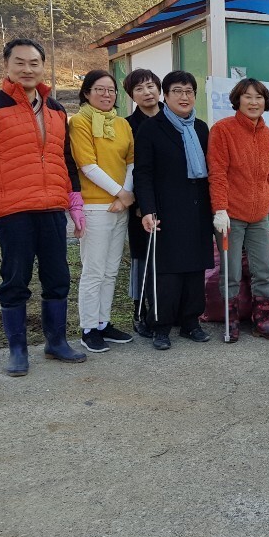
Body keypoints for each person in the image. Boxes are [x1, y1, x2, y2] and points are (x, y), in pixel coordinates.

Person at [0, 38, 86, 377]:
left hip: (52, 207)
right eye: (20, 62)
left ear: (43, 67)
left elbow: (66, 160)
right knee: (15, 279)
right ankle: (17, 349)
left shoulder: (57, 110)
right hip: (12, 207)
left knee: (58, 277)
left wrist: (75, 202)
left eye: (34, 63)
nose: (27, 69)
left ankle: (55, 341)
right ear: (7, 65)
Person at [132, 71, 213, 350]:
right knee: (165, 272)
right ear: (166, 96)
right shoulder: (152, 128)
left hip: (198, 208)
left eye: (189, 91)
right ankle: (161, 327)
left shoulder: (201, 128)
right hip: (165, 210)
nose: (184, 96)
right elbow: (143, 174)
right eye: (177, 91)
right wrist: (148, 210)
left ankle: (191, 323)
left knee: (195, 269)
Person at [208, 77, 269, 343]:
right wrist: (219, 209)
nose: (253, 102)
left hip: (259, 216)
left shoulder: (268, 136)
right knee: (230, 272)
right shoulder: (223, 130)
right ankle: (231, 324)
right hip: (230, 216)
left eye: (259, 97)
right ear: (237, 100)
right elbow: (217, 174)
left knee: (263, 270)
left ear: (266, 102)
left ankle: (262, 323)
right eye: (248, 97)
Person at [68, 70, 135, 353]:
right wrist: (120, 193)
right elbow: (87, 165)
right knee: (94, 270)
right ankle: (88, 328)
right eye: (100, 89)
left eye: (111, 90)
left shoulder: (122, 124)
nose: (106, 95)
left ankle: (103, 323)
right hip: (95, 205)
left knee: (110, 270)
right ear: (86, 92)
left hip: (121, 206)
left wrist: (124, 197)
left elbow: (131, 162)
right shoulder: (80, 122)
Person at [122, 68, 163, 338]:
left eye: (150, 86)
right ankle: (140, 311)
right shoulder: (126, 125)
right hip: (141, 203)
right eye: (139, 89)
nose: (147, 92)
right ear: (132, 96)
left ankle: (166, 311)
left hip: (173, 200)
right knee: (142, 258)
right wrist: (139, 201)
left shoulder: (175, 117)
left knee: (168, 259)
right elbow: (125, 166)